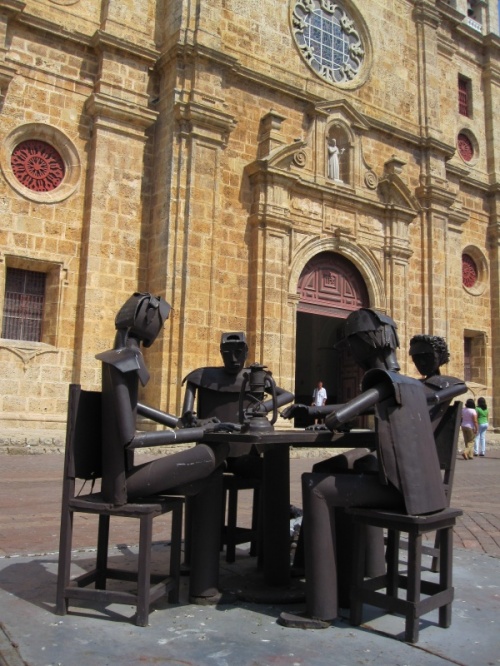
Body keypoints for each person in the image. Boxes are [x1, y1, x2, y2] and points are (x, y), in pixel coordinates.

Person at [279, 308, 448, 629]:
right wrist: (313, 410)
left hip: (402, 495)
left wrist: (323, 416)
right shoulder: (412, 384)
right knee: (336, 467)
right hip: (426, 492)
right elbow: (358, 405)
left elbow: (341, 416)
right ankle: (344, 575)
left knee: (316, 486)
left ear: (367, 344)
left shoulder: (382, 381)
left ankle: (321, 609)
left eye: (353, 346)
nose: (351, 355)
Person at [96, 292, 234, 605]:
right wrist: (195, 434)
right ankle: (203, 582)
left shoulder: (122, 356)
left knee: (210, 466)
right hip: (121, 485)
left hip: (118, 477)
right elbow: (130, 438)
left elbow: (134, 407)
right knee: (215, 452)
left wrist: (182, 423)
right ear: (147, 320)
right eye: (161, 322)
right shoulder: (122, 360)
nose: (161, 330)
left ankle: (202, 577)